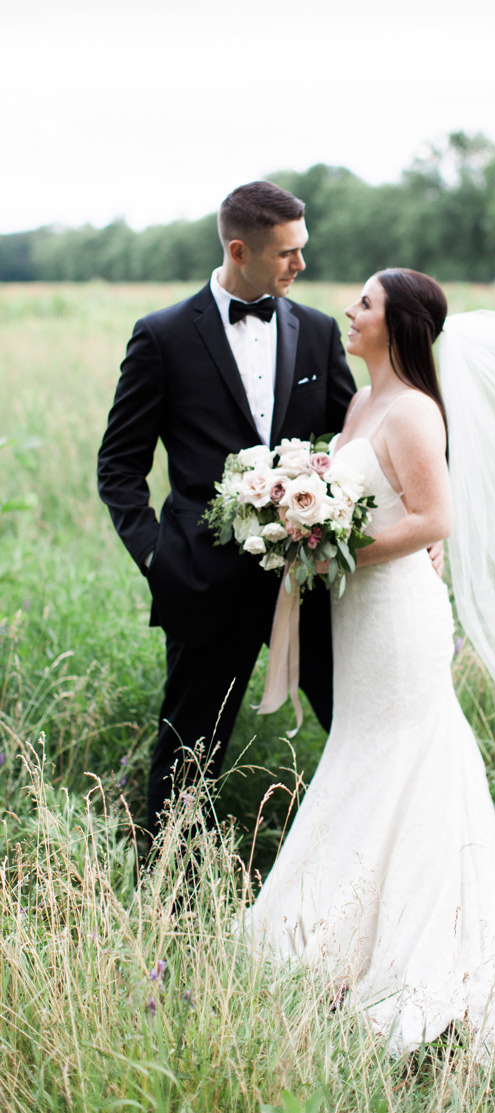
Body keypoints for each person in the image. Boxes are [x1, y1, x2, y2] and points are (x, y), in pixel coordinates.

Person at [238, 268, 495, 1091]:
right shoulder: (358, 406)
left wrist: (326, 546)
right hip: (359, 615)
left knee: (406, 753)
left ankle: (420, 941)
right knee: (365, 750)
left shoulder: (412, 409)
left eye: (365, 303)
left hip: (400, 616)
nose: (348, 310)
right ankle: (345, 935)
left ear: (397, 323)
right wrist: (313, 528)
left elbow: (434, 517)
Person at [98, 181, 356, 842]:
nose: (300, 265)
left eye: (302, 250)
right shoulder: (160, 336)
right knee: (188, 751)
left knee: (356, 727)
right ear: (239, 250)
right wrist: (159, 557)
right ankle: (171, 900)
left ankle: (361, 876)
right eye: (286, 254)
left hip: (309, 581)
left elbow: (351, 446)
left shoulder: (319, 332)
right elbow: (119, 466)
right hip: (202, 580)